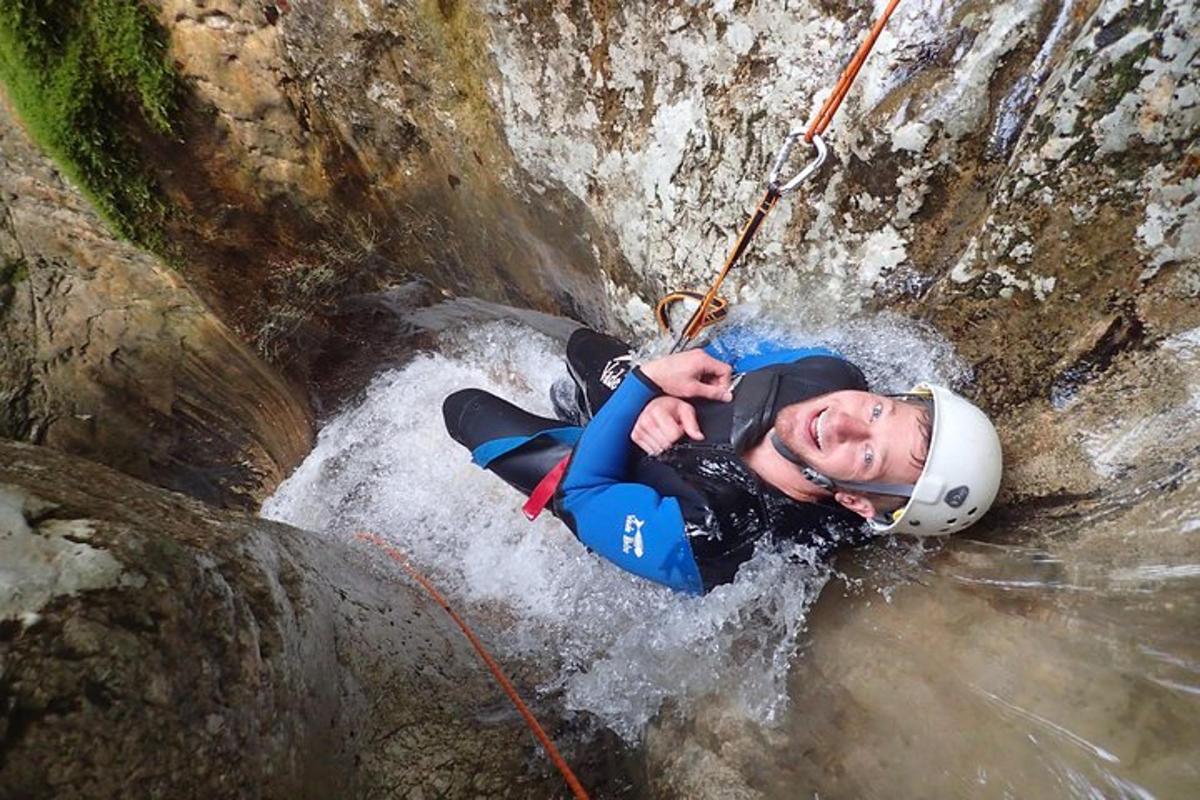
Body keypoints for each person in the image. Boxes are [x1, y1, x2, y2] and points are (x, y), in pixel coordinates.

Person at [443, 327, 1002, 595]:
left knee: (465, 409)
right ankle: (590, 400)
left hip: (604, 478)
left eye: (867, 453)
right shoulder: (829, 372)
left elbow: (588, 498)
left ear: (853, 500)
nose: (844, 420)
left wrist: (643, 387)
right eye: (880, 411)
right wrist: (667, 392)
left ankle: (586, 415)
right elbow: (729, 347)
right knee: (581, 345)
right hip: (657, 404)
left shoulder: (714, 530)